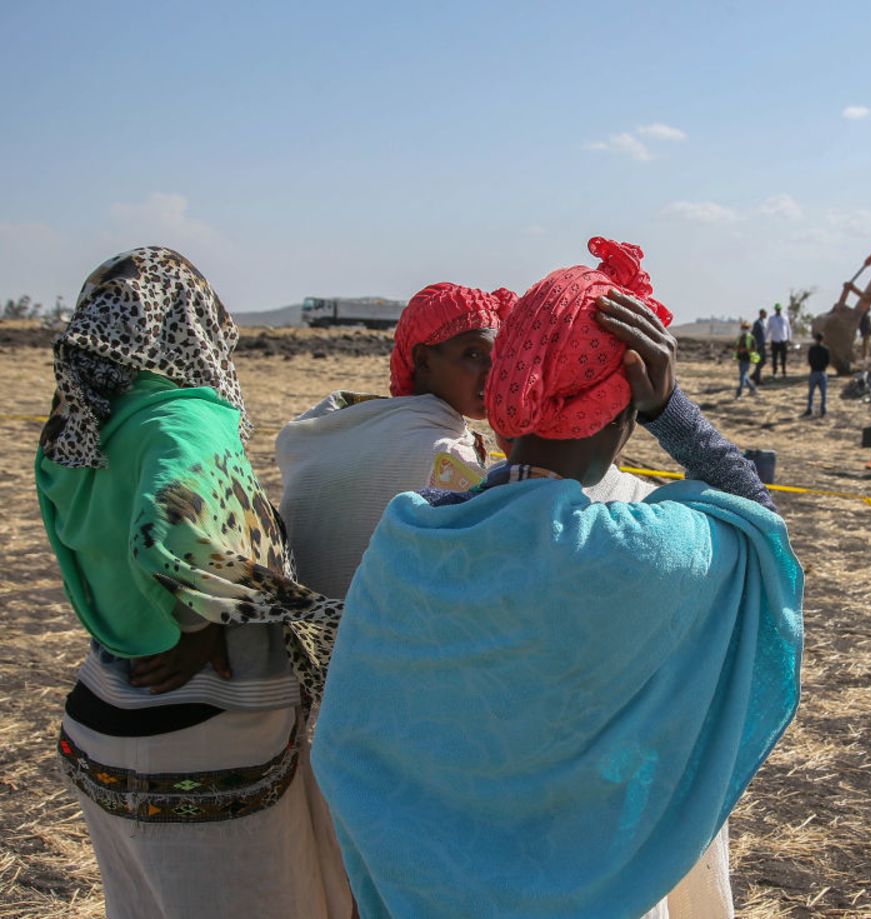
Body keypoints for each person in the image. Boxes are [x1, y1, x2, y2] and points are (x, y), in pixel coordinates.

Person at [311, 237, 804, 919]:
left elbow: (348, 740)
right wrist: (674, 412)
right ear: (626, 413)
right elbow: (757, 522)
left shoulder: (412, 538)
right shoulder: (644, 552)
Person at [34, 247, 350, 919]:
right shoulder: (185, 418)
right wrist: (209, 618)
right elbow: (175, 529)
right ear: (193, 321)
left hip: (108, 703)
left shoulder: (81, 429)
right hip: (206, 723)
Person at [275, 282, 515, 598]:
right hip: (362, 639)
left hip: (301, 635)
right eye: (474, 354)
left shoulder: (341, 427)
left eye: (498, 357)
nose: (493, 373)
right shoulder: (446, 455)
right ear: (423, 360)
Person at [803, 331, 829, 417]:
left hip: (814, 372)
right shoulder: (825, 349)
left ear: (816, 339)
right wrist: (823, 367)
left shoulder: (812, 349)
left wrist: (813, 366)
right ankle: (823, 409)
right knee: (823, 393)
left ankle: (810, 408)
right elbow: (827, 361)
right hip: (822, 372)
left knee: (811, 393)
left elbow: (810, 360)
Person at [734, 320, 759, 398]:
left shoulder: (751, 338)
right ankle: (753, 388)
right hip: (741, 359)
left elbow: (754, 349)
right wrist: (739, 350)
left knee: (742, 376)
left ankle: (739, 393)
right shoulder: (739, 338)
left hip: (747, 359)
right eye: (743, 328)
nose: (744, 329)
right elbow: (736, 347)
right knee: (744, 376)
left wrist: (745, 350)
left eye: (746, 328)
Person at [766, 301, 791, 376]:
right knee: (774, 358)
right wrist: (765, 339)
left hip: (783, 340)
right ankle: (774, 372)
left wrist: (789, 338)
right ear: (775, 309)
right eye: (777, 309)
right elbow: (768, 329)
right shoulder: (771, 318)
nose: (778, 310)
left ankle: (784, 372)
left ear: (781, 309)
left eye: (779, 309)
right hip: (774, 340)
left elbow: (788, 328)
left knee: (783, 358)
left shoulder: (785, 318)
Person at [750, 307, 768, 385]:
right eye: (765, 313)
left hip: (762, 345)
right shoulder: (757, 323)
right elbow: (753, 334)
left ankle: (755, 375)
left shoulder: (762, 323)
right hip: (758, 346)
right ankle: (757, 380)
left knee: (763, 361)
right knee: (759, 362)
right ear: (761, 314)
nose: (766, 315)